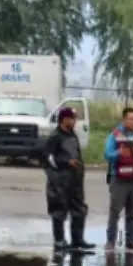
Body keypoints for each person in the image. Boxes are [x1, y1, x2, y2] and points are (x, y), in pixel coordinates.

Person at [103, 106, 133, 252]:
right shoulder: (114, 135)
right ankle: (111, 241)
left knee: (132, 213)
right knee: (115, 212)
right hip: (118, 178)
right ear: (124, 119)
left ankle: (130, 240)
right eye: (131, 119)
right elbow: (107, 155)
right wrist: (119, 152)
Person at [42, 107, 90, 251]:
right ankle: (59, 241)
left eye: (74, 118)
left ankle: (78, 239)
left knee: (79, 210)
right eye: (71, 118)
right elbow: (46, 158)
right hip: (60, 181)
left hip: (75, 180)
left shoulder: (72, 135)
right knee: (59, 211)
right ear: (63, 119)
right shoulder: (55, 136)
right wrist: (65, 163)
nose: (74, 121)